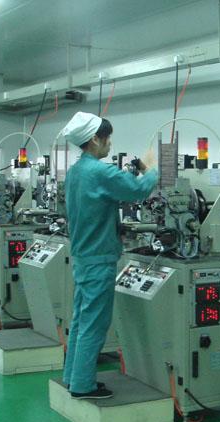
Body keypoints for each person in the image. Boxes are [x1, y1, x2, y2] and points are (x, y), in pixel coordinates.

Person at [61, 111, 158, 399]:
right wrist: (153, 169)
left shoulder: (76, 172)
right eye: (108, 138)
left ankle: (72, 376)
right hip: (99, 258)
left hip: (83, 257)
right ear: (95, 140)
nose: (110, 143)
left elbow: (108, 193)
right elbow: (138, 190)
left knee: (81, 320)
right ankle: (83, 386)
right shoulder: (99, 172)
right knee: (94, 324)